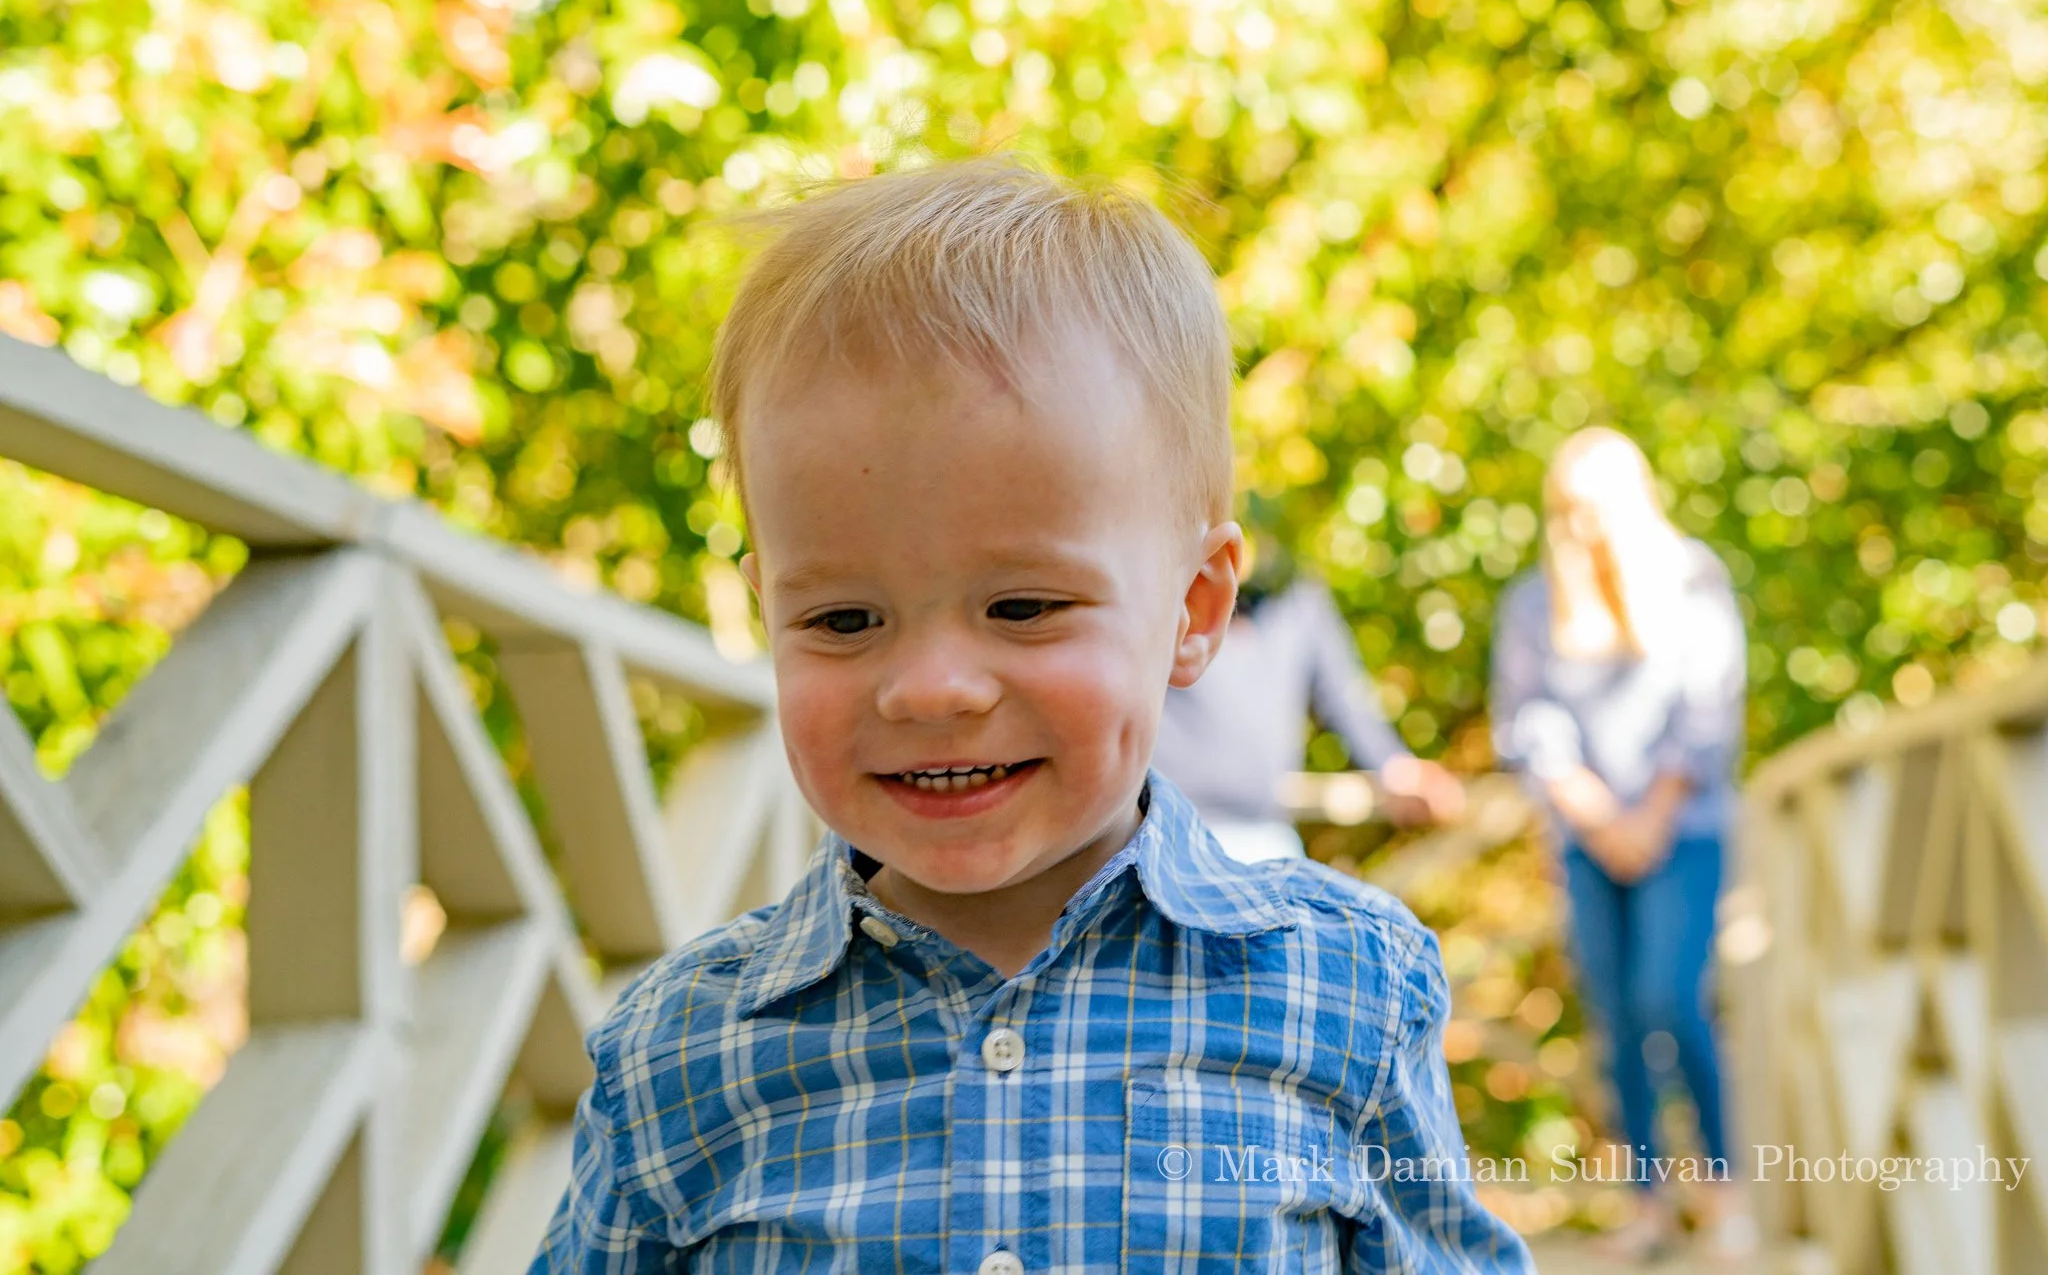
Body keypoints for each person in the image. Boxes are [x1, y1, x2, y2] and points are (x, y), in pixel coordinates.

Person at [532, 160, 1533, 1272]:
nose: (930, 689)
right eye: (843, 618)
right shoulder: (681, 1054)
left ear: (1193, 609)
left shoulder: (1343, 989)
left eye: (1021, 607)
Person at [1490, 428, 1756, 1263]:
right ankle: (1646, 1201)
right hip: (1588, 837)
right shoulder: (1534, 604)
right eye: (1570, 511)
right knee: (1615, 1015)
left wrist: (1650, 816)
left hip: (1686, 830)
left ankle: (1722, 1189)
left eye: (1597, 508)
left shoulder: (1694, 579)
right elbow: (1528, 723)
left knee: (1669, 998)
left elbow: (1709, 707)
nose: (1585, 527)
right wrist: (1598, 818)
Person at [1152, 531, 1464, 863]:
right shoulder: (1164, 575)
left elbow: (1345, 697)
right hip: (1163, 832)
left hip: (1264, 835)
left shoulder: (1297, 596)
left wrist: (1395, 767)